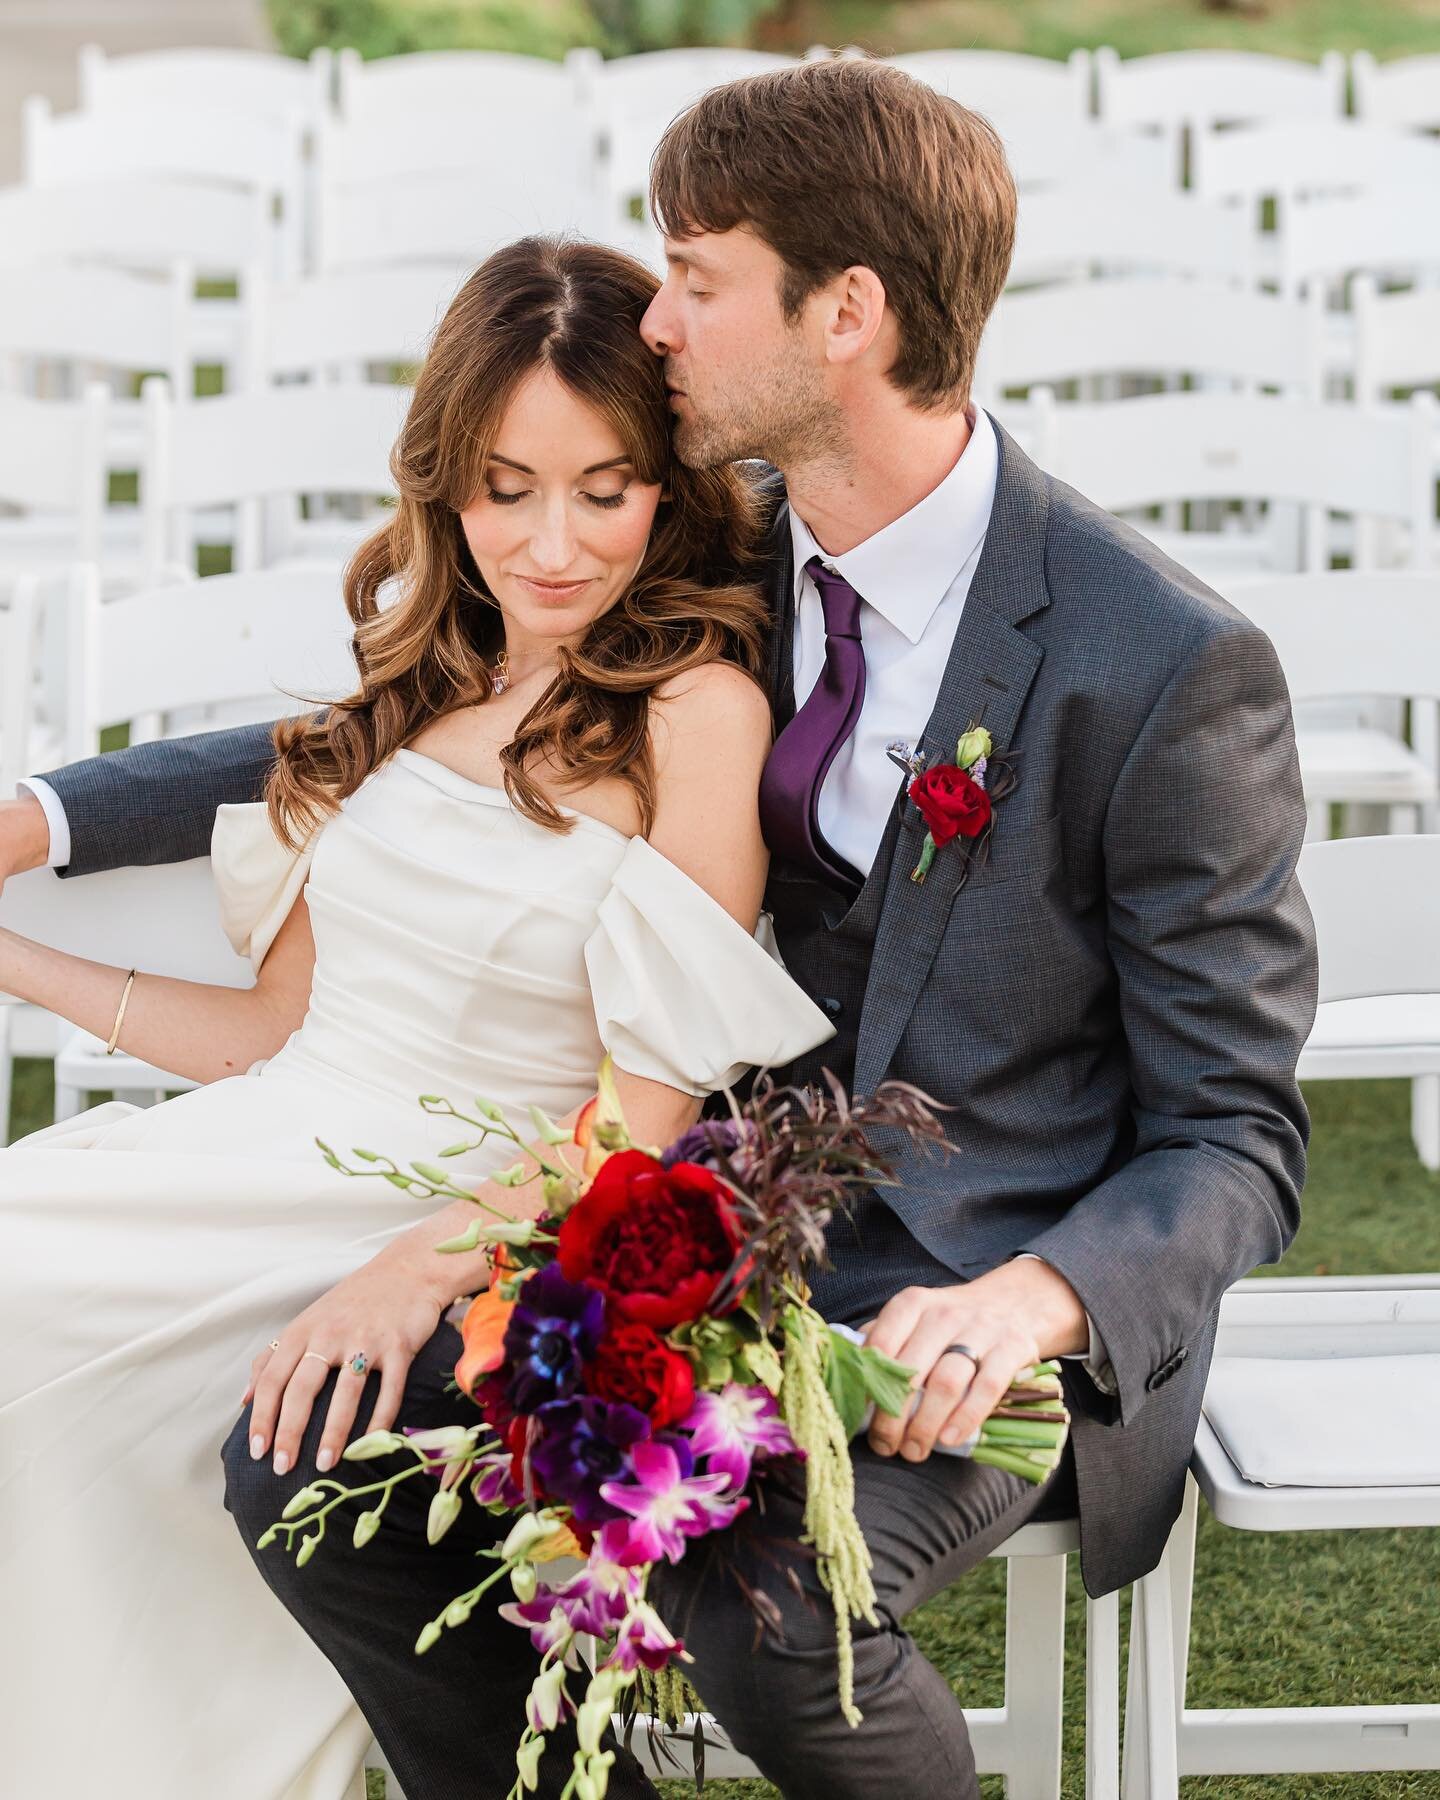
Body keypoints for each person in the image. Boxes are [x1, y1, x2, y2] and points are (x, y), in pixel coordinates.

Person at [0, 55, 1318, 1800]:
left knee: (761, 1594)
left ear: (843, 313)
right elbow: (397, 730)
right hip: (677, 1243)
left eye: (696, 280)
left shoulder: (1158, 664)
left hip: (976, 1296)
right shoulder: (740, 544)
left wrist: (1038, 1298)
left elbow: (1239, 1131)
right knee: (307, 1473)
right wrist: (48, 813)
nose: (664, 324)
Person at [0, 236, 835, 1800]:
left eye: (607, 486)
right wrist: (19, 963)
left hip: (447, 1207)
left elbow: (633, 1129)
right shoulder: (420, 685)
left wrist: (414, 1269)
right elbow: (274, 1038)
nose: (556, 541)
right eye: (507, 487)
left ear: (670, 485)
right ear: (447, 485)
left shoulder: (695, 712)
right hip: (264, 1146)